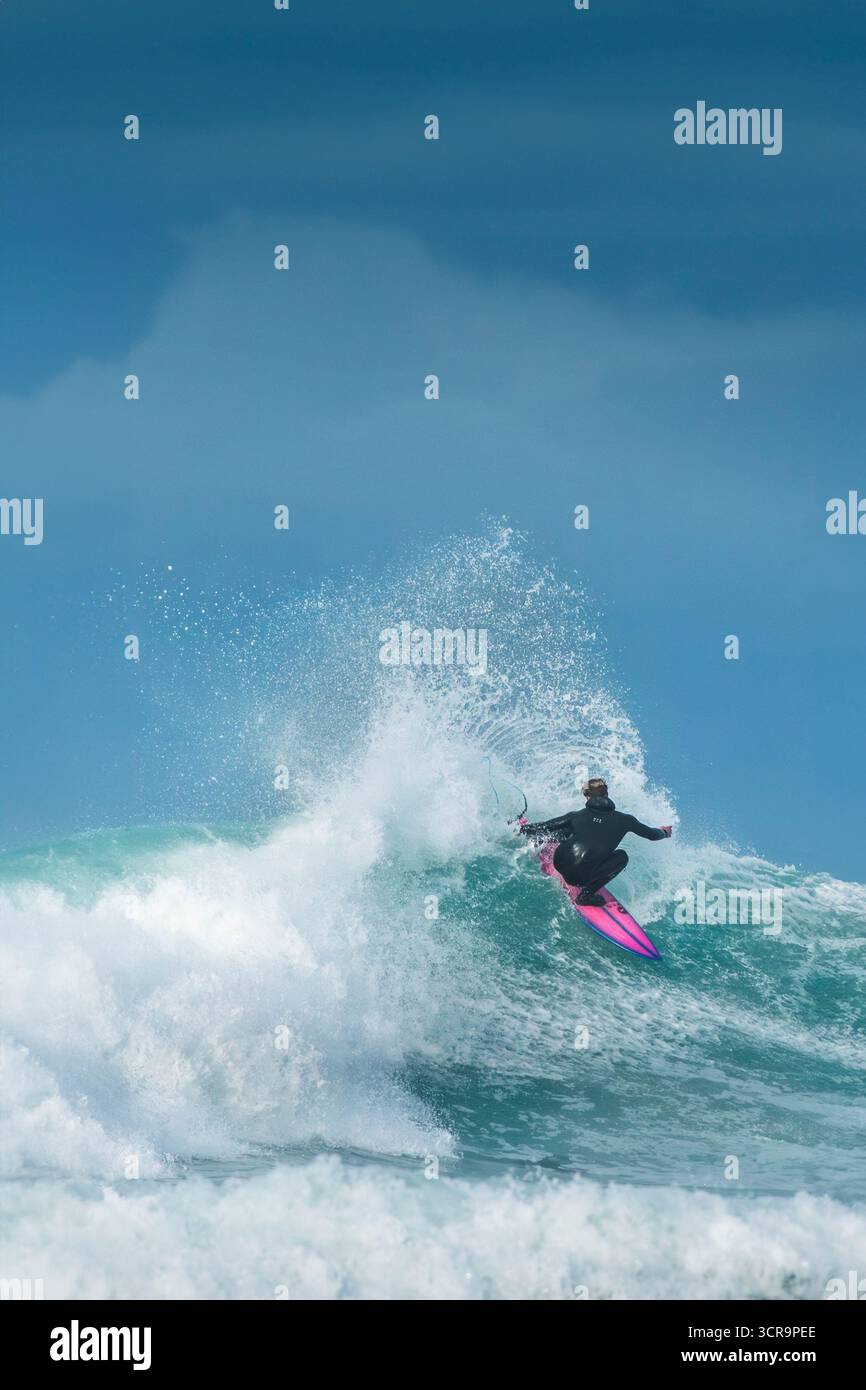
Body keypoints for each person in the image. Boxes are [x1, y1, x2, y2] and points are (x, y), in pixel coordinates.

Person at [519, 777, 672, 906]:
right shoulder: (626, 820)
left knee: (569, 830)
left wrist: (521, 827)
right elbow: (652, 835)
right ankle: (586, 895)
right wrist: (665, 832)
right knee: (622, 857)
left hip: (559, 863)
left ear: (588, 797)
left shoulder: (577, 815)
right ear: (607, 795)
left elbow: (545, 825)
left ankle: (539, 842)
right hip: (580, 878)